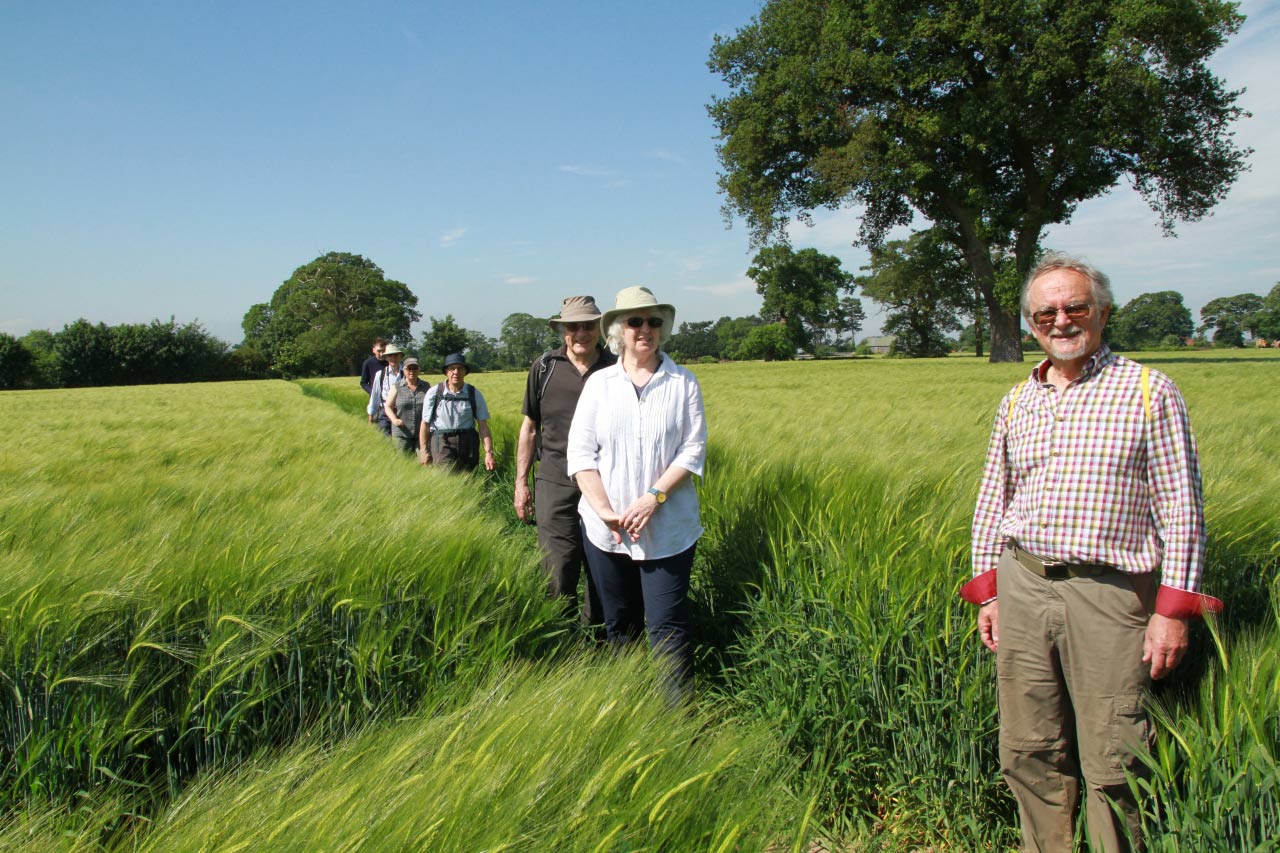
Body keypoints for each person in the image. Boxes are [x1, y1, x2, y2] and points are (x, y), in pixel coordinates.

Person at [964, 252, 1222, 852]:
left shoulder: (1148, 391)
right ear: (1031, 324)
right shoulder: (1018, 399)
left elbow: (1182, 507)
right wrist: (990, 591)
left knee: (1116, 752)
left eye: (1074, 307)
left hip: (1109, 593)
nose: (1061, 321)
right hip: (1023, 584)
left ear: (1102, 312)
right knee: (1027, 745)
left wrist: (1172, 610)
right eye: (1045, 313)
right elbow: (993, 497)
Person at [567, 286, 706, 697]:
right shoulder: (599, 384)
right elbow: (580, 454)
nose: (645, 329)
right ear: (618, 331)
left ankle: (676, 716)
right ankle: (627, 706)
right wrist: (605, 512)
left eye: (653, 321)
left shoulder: (683, 382)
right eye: (635, 321)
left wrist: (652, 498)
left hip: (668, 530)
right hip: (606, 532)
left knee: (668, 625)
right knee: (620, 623)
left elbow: (693, 449)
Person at [515, 296, 617, 626]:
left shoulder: (617, 367)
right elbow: (530, 428)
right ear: (562, 330)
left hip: (606, 483)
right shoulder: (545, 368)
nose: (581, 333)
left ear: (599, 328)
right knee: (558, 565)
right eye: (573, 326)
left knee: (602, 564)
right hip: (555, 480)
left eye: (588, 325)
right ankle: (560, 633)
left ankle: (597, 637)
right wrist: (521, 483)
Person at [419, 353, 495, 472]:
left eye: (460, 368)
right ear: (446, 372)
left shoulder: (473, 393)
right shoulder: (435, 393)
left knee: (468, 476)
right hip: (441, 441)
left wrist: (489, 453)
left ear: (465, 372)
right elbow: (425, 424)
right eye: (452, 369)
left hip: (468, 441)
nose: (456, 372)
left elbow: (483, 425)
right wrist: (424, 451)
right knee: (445, 475)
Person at [383, 357, 428, 454]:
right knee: (402, 460)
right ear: (403, 370)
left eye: (414, 368)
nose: (412, 371)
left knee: (424, 460)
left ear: (419, 370)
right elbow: (388, 406)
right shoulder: (397, 387)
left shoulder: (426, 386)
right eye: (409, 368)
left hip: (421, 433)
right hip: (401, 433)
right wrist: (394, 420)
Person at [366, 344, 403, 434]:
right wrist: (371, 417)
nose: (393, 358)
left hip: (402, 411)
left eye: (396, 355)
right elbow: (375, 396)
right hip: (385, 412)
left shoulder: (406, 374)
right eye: (390, 355)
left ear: (400, 356)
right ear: (386, 357)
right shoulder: (380, 375)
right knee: (384, 438)